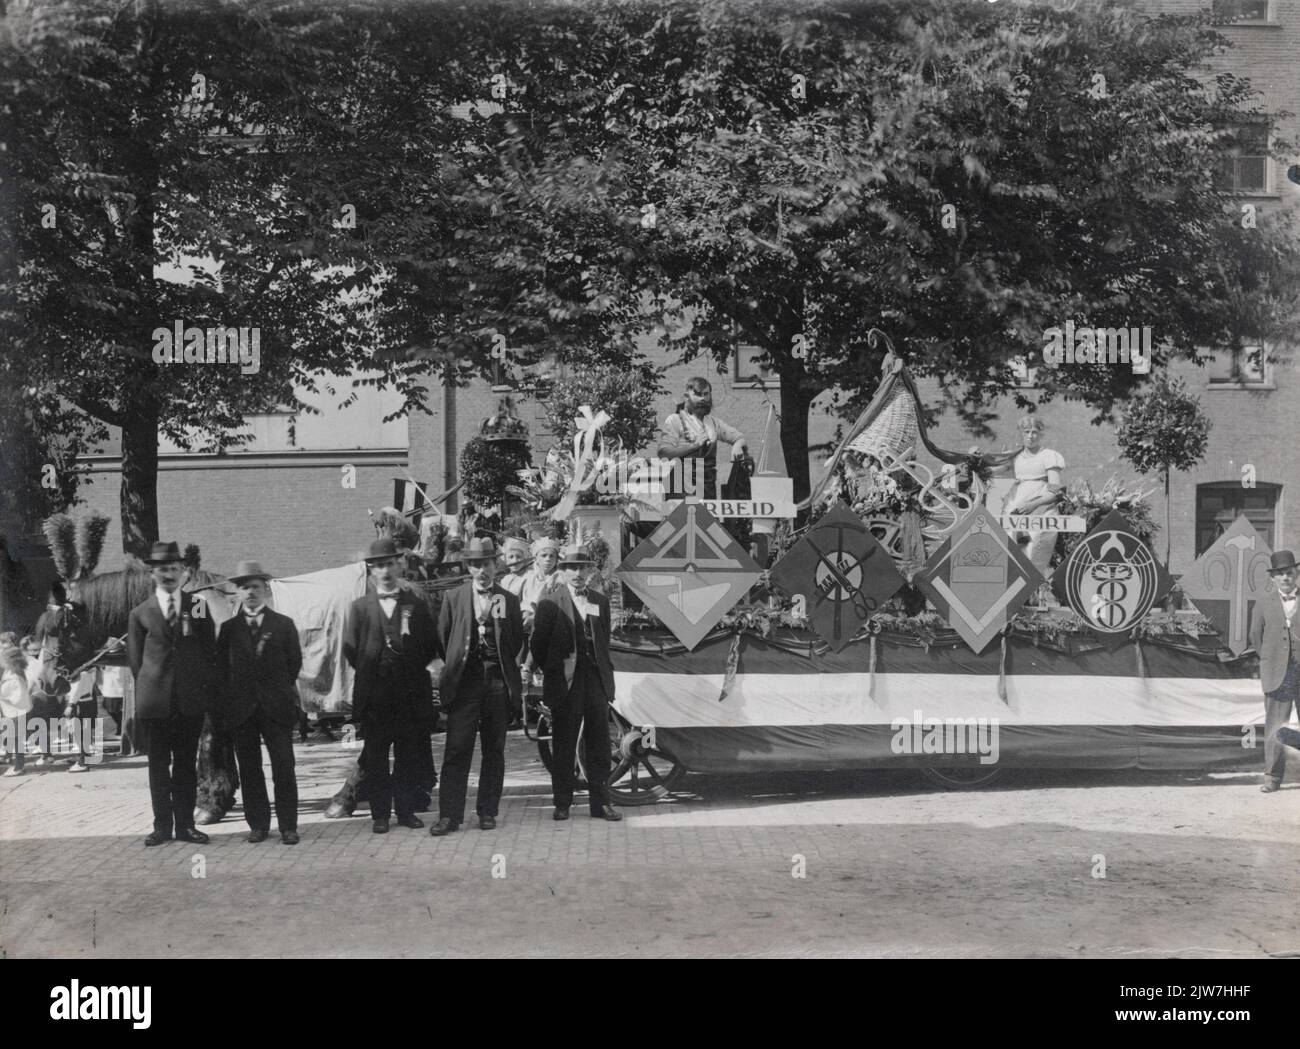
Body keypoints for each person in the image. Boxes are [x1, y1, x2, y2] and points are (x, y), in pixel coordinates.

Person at [342, 538, 439, 833]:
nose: (384, 570)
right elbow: (351, 649)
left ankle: (406, 811)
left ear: (398, 565)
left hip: (410, 694)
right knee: (377, 756)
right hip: (375, 696)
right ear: (371, 570)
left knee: (408, 754)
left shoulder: (417, 604)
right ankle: (380, 815)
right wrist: (377, 671)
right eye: (378, 565)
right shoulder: (359, 608)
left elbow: (429, 645)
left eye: (389, 564)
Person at [430, 538, 526, 835]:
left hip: (497, 680)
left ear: (495, 565)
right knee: (457, 749)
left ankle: (487, 811)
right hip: (465, 682)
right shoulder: (454, 597)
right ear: (468, 567)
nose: (481, 570)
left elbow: (515, 641)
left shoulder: (507, 599)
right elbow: (443, 640)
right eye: (475, 564)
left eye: (486, 563)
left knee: (494, 749)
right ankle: (450, 815)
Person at [127, 541, 218, 847]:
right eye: (162, 569)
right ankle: (161, 826)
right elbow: (136, 664)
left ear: (183, 572)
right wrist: (154, 691)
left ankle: (186, 826)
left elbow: (209, 653)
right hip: (156, 705)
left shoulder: (198, 607)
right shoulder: (140, 614)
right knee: (157, 767)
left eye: (173, 568)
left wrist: (200, 690)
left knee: (185, 766)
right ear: (152, 574)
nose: (168, 574)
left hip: (189, 703)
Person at [529, 544, 623, 823]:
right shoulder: (550, 599)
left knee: (600, 743)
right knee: (564, 743)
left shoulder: (599, 601)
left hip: (594, 679)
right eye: (572, 568)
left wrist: (603, 674)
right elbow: (538, 641)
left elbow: (603, 640)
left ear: (590, 571)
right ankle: (562, 803)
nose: (578, 573)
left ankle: (601, 803)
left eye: (583, 568)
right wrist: (555, 670)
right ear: (564, 571)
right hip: (565, 681)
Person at [216, 560, 302, 844]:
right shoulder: (228, 630)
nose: (249, 592)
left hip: (276, 708)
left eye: (254, 586)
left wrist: (275, 692)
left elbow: (293, 666)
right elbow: (221, 671)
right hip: (242, 711)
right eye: (243, 587)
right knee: (250, 770)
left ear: (265, 589)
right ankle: (258, 825)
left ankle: (288, 826)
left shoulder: (284, 625)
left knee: (283, 767)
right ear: (237, 593)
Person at [1248, 549, 1300, 793]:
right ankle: (1272, 777)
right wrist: (1271, 660)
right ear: (1273, 578)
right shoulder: (1263, 603)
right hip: (1278, 674)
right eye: (1280, 574)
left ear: (1296, 573)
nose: (1285, 578)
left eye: (1289, 572)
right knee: (1276, 726)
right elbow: (1255, 637)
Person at [657, 377, 749, 501]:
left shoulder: (713, 422)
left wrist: (737, 445)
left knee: (708, 519)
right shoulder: (674, 420)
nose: (702, 399)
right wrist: (694, 446)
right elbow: (664, 452)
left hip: (707, 487)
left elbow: (739, 437)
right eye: (697, 394)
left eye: (706, 394)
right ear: (686, 396)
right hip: (680, 487)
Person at [1001, 414, 1065, 578]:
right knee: (1012, 556)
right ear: (1021, 434)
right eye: (1026, 431)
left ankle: (1034, 595)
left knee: (1032, 554)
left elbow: (1055, 492)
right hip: (1014, 513)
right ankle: (1016, 599)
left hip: (1041, 514)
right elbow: (990, 470)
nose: (1030, 436)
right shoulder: (1014, 456)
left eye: (1035, 432)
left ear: (1041, 434)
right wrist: (977, 459)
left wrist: (1033, 505)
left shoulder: (1049, 456)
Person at [1, 633, 33, 776]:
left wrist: (3, 695)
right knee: (15, 740)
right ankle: (17, 765)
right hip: (14, 712)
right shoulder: (11, 673)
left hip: (16, 712)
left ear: (9, 661)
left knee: (16, 740)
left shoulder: (14, 677)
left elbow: (17, 696)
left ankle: (18, 767)